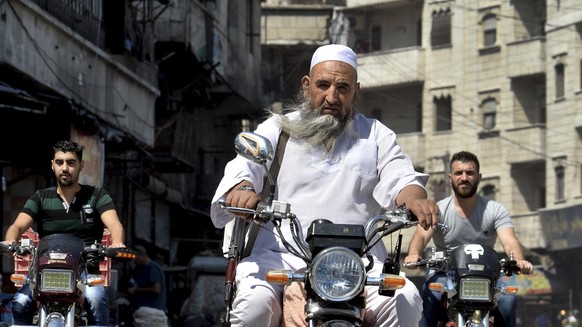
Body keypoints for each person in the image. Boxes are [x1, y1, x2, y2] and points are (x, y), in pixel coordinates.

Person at [210, 44, 440, 327]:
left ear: (356, 91)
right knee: (252, 308)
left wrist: (414, 198)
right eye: (323, 85)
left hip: (358, 265)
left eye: (343, 87)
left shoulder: (375, 135)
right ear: (307, 86)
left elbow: (400, 176)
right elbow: (245, 166)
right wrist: (243, 190)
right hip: (280, 260)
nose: (332, 96)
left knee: (405, 299)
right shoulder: (278, 129)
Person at [2, 140, 127, 326]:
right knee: (20, 303)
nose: (65, 168)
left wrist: (117, 242)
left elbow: (114, 224)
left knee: (96, 301)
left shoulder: (97, 196)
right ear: (52, 165)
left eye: (71, 162)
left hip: (85, 275)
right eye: (59, 162)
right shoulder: (41, 197)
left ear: (81, 165)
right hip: (44, 274)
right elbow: (17, 226)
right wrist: (10, 241)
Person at [403, 151, 534, 327]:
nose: (464, 178)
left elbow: (510, 241)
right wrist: (414, 254)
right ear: (450, 178)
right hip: (445, 275)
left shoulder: (495, 210)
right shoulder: (438, 210)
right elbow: (420, 236)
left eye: (470, 173)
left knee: (508, 300)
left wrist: (518, 260)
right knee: (430, 295)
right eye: (459, 173)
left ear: (479, 177)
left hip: (487, 278)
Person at [128, 245, 167, 326]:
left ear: (142, 255)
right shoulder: (145, 269)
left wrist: (137, 289)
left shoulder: (153, 267)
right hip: (145, 314)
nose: (135, 261)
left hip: (152, 314)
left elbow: (156, 289)